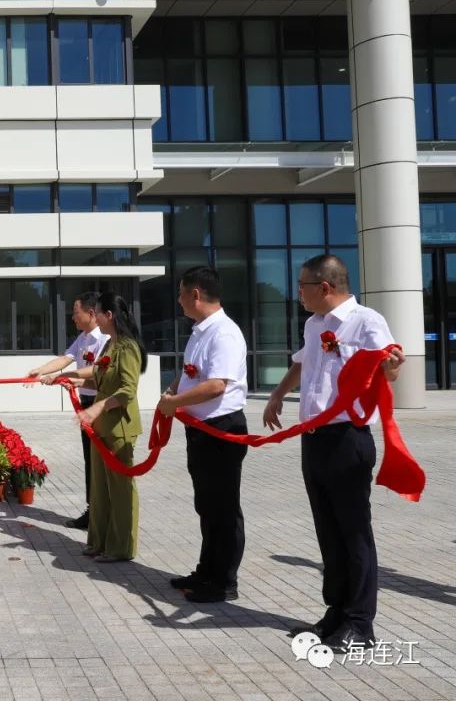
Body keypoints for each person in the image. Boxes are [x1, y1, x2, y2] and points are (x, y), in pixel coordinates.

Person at [264, 254, 404, 653]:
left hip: (348, 438)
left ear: (324, 287)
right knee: (328, 529)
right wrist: (278, 394)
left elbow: (388, 369)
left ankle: (361, 623)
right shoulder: (314, 324)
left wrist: (394, 367)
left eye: (302, 286)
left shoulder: (366, 321)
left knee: (354, 531)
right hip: (315, 438)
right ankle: (337, 611)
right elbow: (302, 363)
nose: (298, 294)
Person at [156, 267, 249, 603]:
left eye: (181, 294)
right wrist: (170, 394)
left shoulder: (224, 333)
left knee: (223, 508)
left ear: (196, 294)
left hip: (223, 430)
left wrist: (175, 403)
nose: (179, 302)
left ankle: (224, 581)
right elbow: (189, 376)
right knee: (206, 505)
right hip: (200, 432)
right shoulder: (199, 331)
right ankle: (206, 570)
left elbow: (215, 385)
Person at [46, 293, 145, 562]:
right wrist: (67, 379)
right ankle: (99, 542)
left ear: (108, 315)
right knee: (99, 489)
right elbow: (99, 380)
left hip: (118, 427)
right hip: (100, 427)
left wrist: (98, 407)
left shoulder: (127, 347)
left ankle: (120, 547)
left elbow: (127, 391)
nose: (95, 317)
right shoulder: (109, 346)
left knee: (120, 490)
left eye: (98, 312)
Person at [28, 292, 109, 529]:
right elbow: (66, 358)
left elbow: (96, 370)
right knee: (89, 458)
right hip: (86, 404)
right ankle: (93, 509)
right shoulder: (83, 338)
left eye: (75, 312)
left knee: (101, 459)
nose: (73, 318)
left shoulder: (105, 339)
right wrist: (40, 370)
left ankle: (104, 511)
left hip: (102, 405)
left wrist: (61, 376)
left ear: (91, 313)